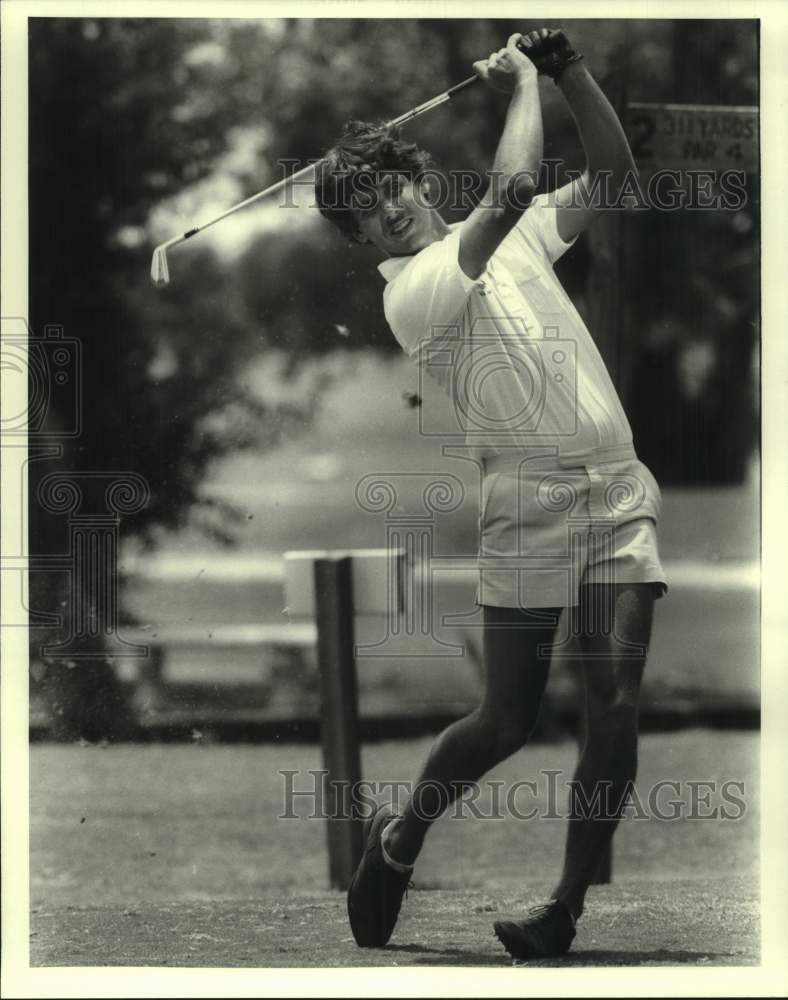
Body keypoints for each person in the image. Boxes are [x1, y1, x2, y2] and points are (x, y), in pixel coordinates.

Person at [314, 28, 668, 961]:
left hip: (619, 489)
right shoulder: (415, 290)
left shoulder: (513, 244)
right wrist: (518, 83)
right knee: (507, 720)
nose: (385, 208)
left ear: (414, 179)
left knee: (616, 701)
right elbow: (509, 190)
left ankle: (562, 910)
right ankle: (401, 836)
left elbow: (617, 173)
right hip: (526, 505)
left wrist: (566, 71)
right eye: (363, 209)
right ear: (357, 237)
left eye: (389, 184)